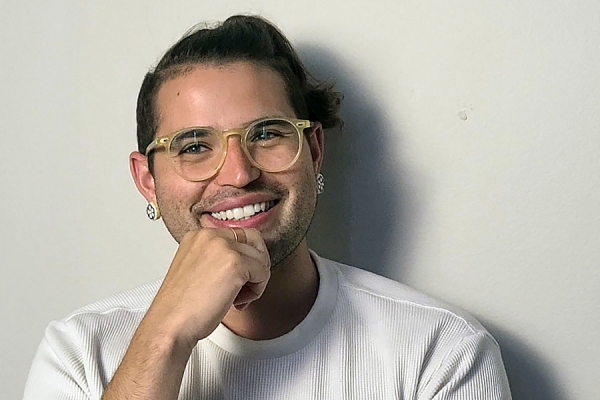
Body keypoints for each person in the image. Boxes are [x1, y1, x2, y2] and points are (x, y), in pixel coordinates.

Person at [23, 15, 512, 399]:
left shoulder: (442, 350)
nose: (238, 174)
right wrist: (165, 337)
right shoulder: (79, 353)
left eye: (266, 134)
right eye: (195, 146)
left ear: (313, 152)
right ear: (147, 181)